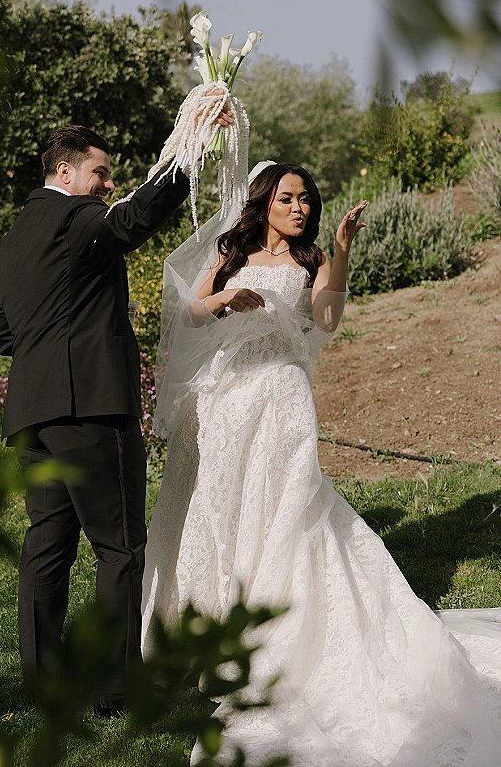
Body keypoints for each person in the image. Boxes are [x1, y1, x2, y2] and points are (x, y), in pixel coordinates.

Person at [142, 161, 501, 765]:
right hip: (226, 401)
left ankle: (275, 634)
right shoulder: (232, 250)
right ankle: (206, 629)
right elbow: (190, 313)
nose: (300, 207)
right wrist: (224, 298)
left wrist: (340, 251)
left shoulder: (310, 261)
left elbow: (327, 321)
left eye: (307, 199)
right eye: (288, 198)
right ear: (265, 201)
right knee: (217, 509)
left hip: (280, 399)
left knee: (285, 508)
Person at [0, 100, 232, 719]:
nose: (108, 184)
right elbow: (135, 220)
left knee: (47, 547)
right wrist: (192, 149)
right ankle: (118, 689)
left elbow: (7, 340)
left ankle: (46, 684)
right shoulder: (77, 219)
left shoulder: (9, 246)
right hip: (90, 408)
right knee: (120, 546)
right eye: (100, 173)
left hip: (32, 418)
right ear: (65, 172)